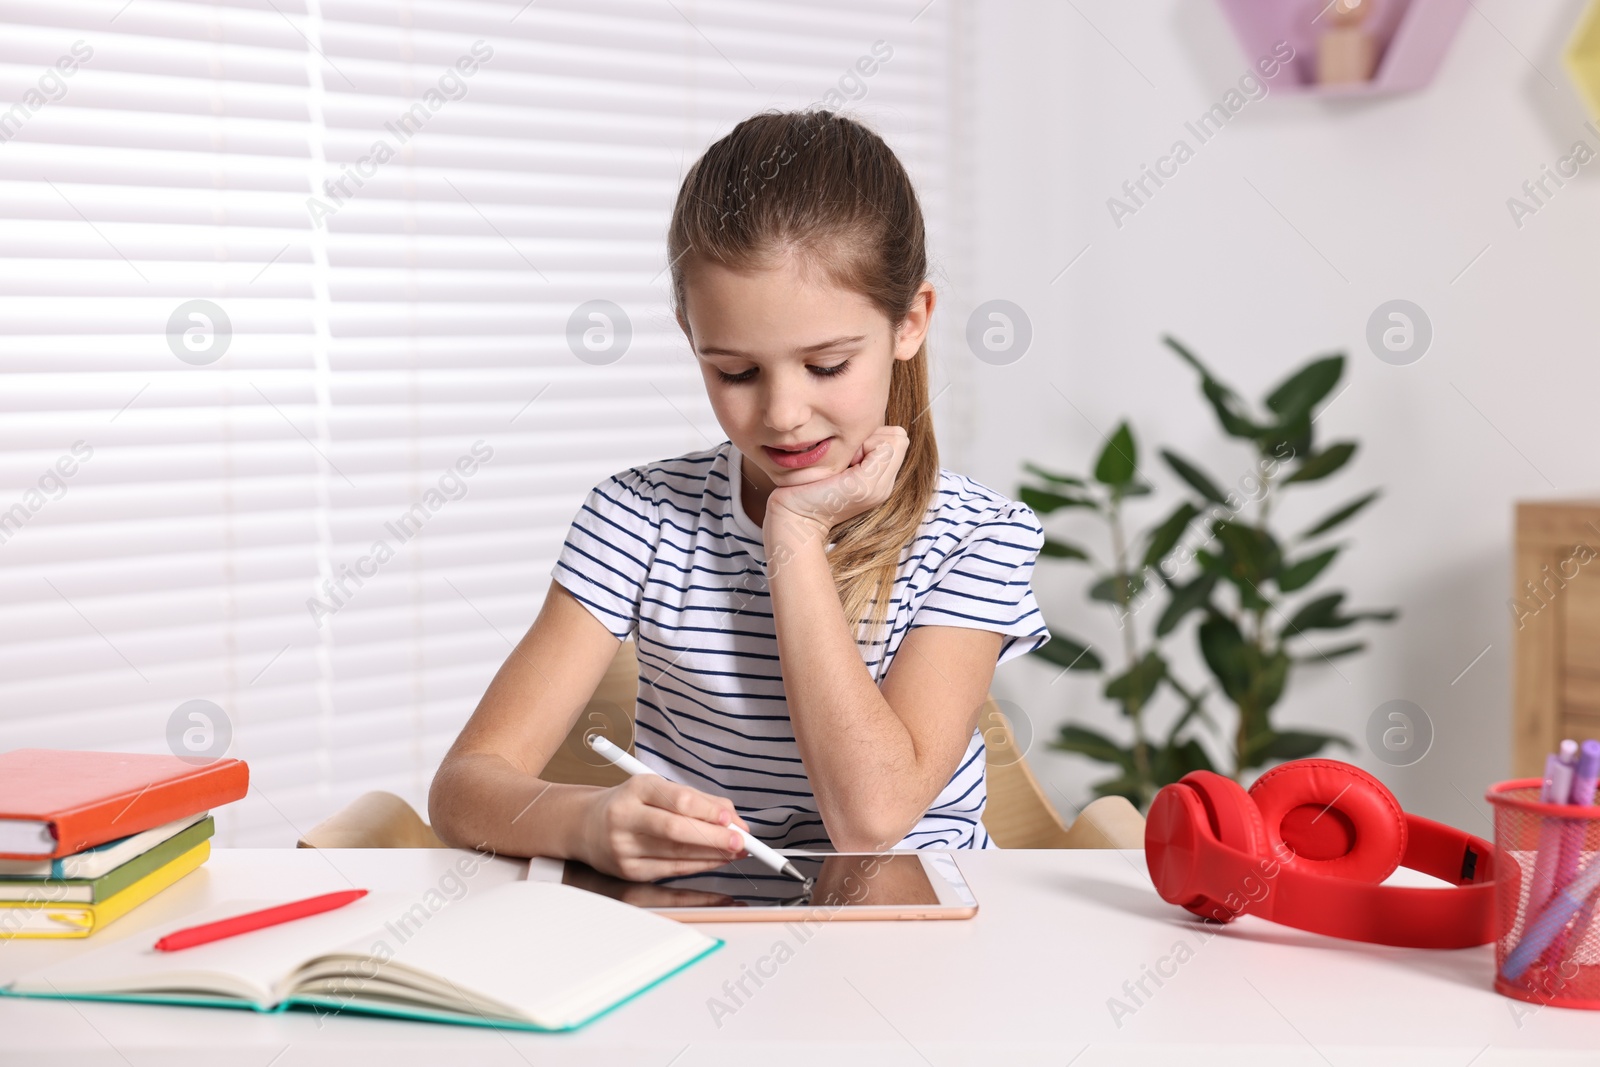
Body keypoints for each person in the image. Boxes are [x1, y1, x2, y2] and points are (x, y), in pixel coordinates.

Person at [429, 109, 1051, 882]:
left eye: (826, 366)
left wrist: (792, 535)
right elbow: (463, 786)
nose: (783, 414)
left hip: (915, 944)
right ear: (690, 333)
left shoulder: (978, 537)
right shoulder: (638, 517)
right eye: (735, 372)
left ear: (910, 322)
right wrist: (586, 820)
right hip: (694, 930)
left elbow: (869, 818)